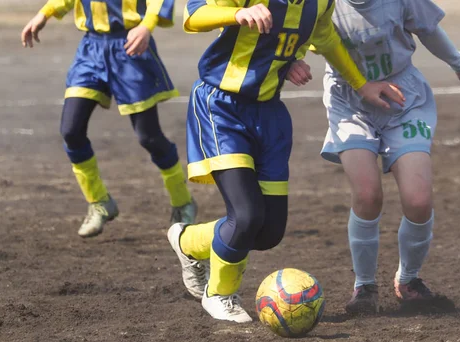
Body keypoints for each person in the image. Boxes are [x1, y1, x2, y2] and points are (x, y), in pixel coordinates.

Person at [167, 0, 405, 322]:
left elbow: (326, 38)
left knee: (268, 233)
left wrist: (359, 85)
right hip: (222, 107)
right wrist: (238, 13)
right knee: (247, 216)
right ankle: (220, 293)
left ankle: (186, 240)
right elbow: (193, 15)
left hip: (269, 115)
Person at [287, 0, 460, 314]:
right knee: (367, 193)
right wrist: (292, 61)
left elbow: (427, 28)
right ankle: (364, 286)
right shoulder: (320, 3)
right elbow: (296, 35)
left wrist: (459, 64)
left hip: (402, 96)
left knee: (418, 200)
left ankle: (408, 280)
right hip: (349, 101)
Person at [21, 0, 197, 238]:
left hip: (130, 48)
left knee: (149, 137)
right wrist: (45, 13)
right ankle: (99, 202)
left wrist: (147, 26)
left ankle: (182, 201)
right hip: (91, 50)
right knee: (71, 131)